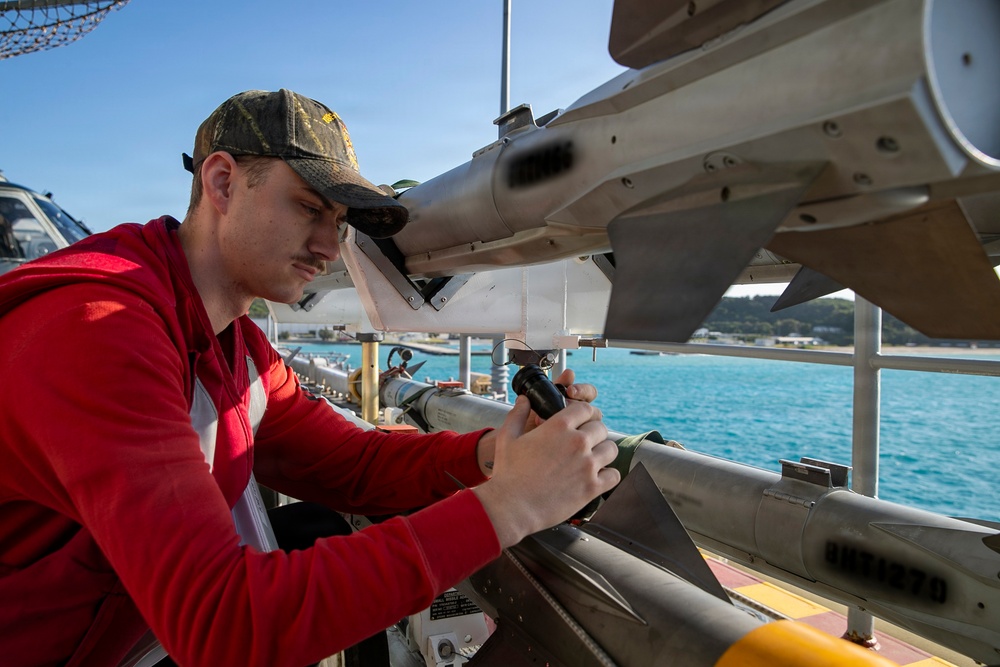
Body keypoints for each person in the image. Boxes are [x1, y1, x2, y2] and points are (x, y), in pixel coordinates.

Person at [0, 89, 620, 667]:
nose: (330, 246)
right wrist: (512, 504)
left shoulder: (231, 343)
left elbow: (351, 465)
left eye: (341, 221)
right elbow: (226, 623)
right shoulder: (100, 332)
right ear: (222, 182)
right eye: (309, 209)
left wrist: (495, 455)